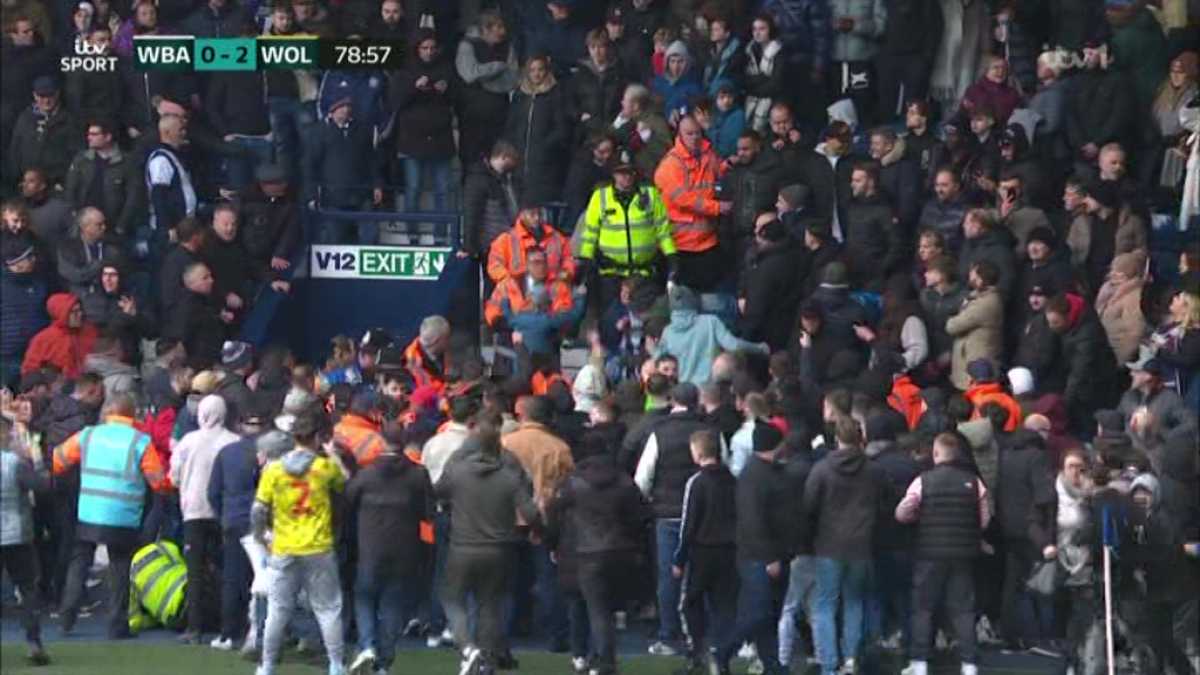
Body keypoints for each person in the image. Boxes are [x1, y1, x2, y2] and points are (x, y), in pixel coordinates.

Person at [52, 394, 171, 637]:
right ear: (132, 414)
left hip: (89, 511)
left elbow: (58, 460)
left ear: (108, 413)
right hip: (123, 516)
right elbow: (157, 482)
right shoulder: (140, 441)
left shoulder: (88, 435)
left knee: (79, 563)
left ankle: (66, 619)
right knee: (119, 568)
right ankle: (117, 625)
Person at [435, 417, 540, 675]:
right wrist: (542, 532)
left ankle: (468, 648)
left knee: (452, 598)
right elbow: (531, 511)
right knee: (490, 605)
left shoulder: (458, 470)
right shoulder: (509, 474)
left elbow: (436, 492)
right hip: (499, 548)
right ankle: (486, 660)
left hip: (463, 546)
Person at [251, 411, 349, 675]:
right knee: (328, 609)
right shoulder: (323, 468)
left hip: (284, 547)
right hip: (318, 546)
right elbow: (345, 481)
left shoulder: (274, 470)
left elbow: (259, 510)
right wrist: (333, 454)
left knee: (277, 610)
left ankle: (267, 666)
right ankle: (336, 665)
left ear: (293, 437)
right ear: (317, 438)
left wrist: (261, 536)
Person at [544, 440, 651, 675]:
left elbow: (553, 515)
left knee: (587, 607)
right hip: (619, 551)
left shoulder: (572, 483)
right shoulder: (624, 482)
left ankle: (596, 659)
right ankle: (600, 658)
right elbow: (641, 518)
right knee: (604, 609)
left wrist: (551, 543)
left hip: (583, 552)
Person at [801, 416, 891, 675]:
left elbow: (808, 505)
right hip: (861, 544)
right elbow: (885, 500)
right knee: (854, 603)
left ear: (837, 438)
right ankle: (851, 659)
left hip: (829, 545)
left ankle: (829, 664)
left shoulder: (822, 469)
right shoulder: (873, 470)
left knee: (826, 604)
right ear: (860, 437)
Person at [895, 432, 991, 675]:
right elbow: (984, 519)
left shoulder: (922, 481)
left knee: (923, 608)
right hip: (963, 554)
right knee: (962, 609)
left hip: (929, 553)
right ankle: (969, 664)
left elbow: (903, 513)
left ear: (936, 454)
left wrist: (916, 516)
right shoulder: (974, 482)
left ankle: (920, 663)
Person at [634, 382, 718, 656]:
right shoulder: (710, 431)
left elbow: (643, 477)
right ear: (696, 402)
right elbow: (723, 466)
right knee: (702, 576)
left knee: (668, 577)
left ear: (672, 401)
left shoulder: (660, 431)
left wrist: (649, 502)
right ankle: (701, 636)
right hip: (705, 513)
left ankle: (669, 635)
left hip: (668, 514)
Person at [345, 426, 433, 675]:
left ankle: (367, 645)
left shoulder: (366, 475)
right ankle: (383, 660)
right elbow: (428, 512)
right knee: (393, 605)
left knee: (364, 598)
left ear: (381, 442)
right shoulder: (417, 475)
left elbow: (347, 506)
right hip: (405, 549)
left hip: (370, 548)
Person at [715, 421, 792, 675]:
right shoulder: (755, 476)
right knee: (759, 613)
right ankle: (724, 650)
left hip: (766, 554)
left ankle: (772, 665)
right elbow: (753, 519)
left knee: (767, 614)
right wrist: (770, 557)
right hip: (758, 556)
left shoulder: (762, 472)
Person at [170, 394, 241, 642]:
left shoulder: (188, 441)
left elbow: (174, 475)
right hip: (223, 513)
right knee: (228, 570)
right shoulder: (234, 441)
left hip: (193, 511)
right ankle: (228, 625)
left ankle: (195, 627)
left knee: (195, 571)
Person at [671, 427, 738, 673]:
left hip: (702, 552)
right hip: (729, 552)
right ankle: (721, 656)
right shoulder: (732, 480)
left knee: (689, 603)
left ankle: (696, 652)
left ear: (697, 453)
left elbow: (688, 523)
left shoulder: (697, 483)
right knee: (724, 606)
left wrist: (679, 557)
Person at [577, 159, 676, 310]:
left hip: (643, 272)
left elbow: (663, 230)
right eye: (621, 173)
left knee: (645, 317)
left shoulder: (650, 195)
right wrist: (585, 259)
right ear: (614, 174)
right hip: (610, 272)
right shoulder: (601, 197)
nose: (626, 177)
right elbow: (590, 233)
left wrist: (671, 256)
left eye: (629, 172)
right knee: (611, 320)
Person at [654, 115, 731, 291]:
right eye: (689, 134)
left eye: (697, 133)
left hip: (708, 242)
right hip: (681, 245)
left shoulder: (708, 154)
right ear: (679, 135)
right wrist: (717, 208)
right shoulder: (670, 165)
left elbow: (718, 170)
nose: (695, 137)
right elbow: (684, 200)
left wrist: (730, 164)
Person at [0, 414, 52, 666]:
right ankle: (33, 641)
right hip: (16, 535)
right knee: (27, 589)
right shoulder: (14, 463)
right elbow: (42, 486)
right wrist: (37, 461)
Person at [655, 284, 768, 386]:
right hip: (711, 388)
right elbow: (733, 345)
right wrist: (760, 348)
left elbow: (658, 359)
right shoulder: (710, 321)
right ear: (694, 302)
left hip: (685, 392)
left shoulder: (668, 332)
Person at [945, 261, 1004, 391]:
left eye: (974, 274)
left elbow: (952, 326)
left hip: (976, 368)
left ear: (982, 278)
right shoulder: (978, 298)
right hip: (969, 364)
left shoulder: (986, 304)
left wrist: (955, 315)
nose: (970, 277)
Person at [486, 202, 576, 286]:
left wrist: (566, 273)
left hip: (552, 289)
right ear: (522, 215)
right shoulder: (506, 240)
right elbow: (494, 264)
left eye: (540, 214)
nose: (537, 218)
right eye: (532, 214)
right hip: (516, 293)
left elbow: (569, 258)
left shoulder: (557, 237)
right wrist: (508, 281)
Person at [21, 292, 99, 380]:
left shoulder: (90, 332)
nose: (80, 314)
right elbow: (29, 371)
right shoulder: (43, 339)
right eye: (74, 312)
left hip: (90, 382)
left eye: (80, 310)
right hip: (56, 387)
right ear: (62, 314)